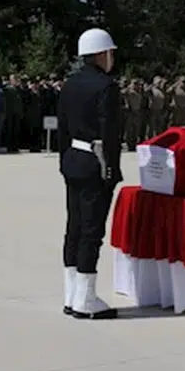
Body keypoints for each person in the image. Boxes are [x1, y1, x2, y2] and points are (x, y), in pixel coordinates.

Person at [57, 28, 123, 319]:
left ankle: (71, 295)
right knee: (91, 231)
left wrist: (64, 161)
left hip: (73, 159)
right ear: (101, 54)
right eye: (110, 53)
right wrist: (112, 169)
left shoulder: (69, 84)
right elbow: (110, 132)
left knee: (74, 227)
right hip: (95, 161)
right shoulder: (106, 87)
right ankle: (85, 300)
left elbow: (63, 128)